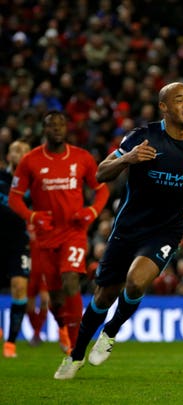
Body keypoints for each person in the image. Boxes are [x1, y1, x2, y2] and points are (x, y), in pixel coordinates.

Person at [53, 82, 183, 380]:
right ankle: (76, 354)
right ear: (164, 107)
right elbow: (101, 172)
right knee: (104, 296)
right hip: (129, 228)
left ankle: (111, 332)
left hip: (167, 230)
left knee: (137, 280)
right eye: (179, 100)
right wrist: (128, 158)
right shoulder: (144, 137)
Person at [9, 111, 110, 356]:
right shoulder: (30, 161)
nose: (57, 128)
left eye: (61, 125)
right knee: (55, 297)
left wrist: (92, 212)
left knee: (71, 279)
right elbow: (15, 198)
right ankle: (63, 327)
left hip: (74, 232)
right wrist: (33, 216)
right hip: (45, 236)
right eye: (51, 125)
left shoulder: (81, 157)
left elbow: (102, 189)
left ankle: (77, 346)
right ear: (44, 130)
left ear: (66, 129)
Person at [0, 140, 31, 357]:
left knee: (20, 287)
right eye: (15, 149)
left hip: (20, 242)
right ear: (8, 155)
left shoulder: (35, 183)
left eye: (23, 150)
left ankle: (10, 342)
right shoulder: (0, 178)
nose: (18, 153)